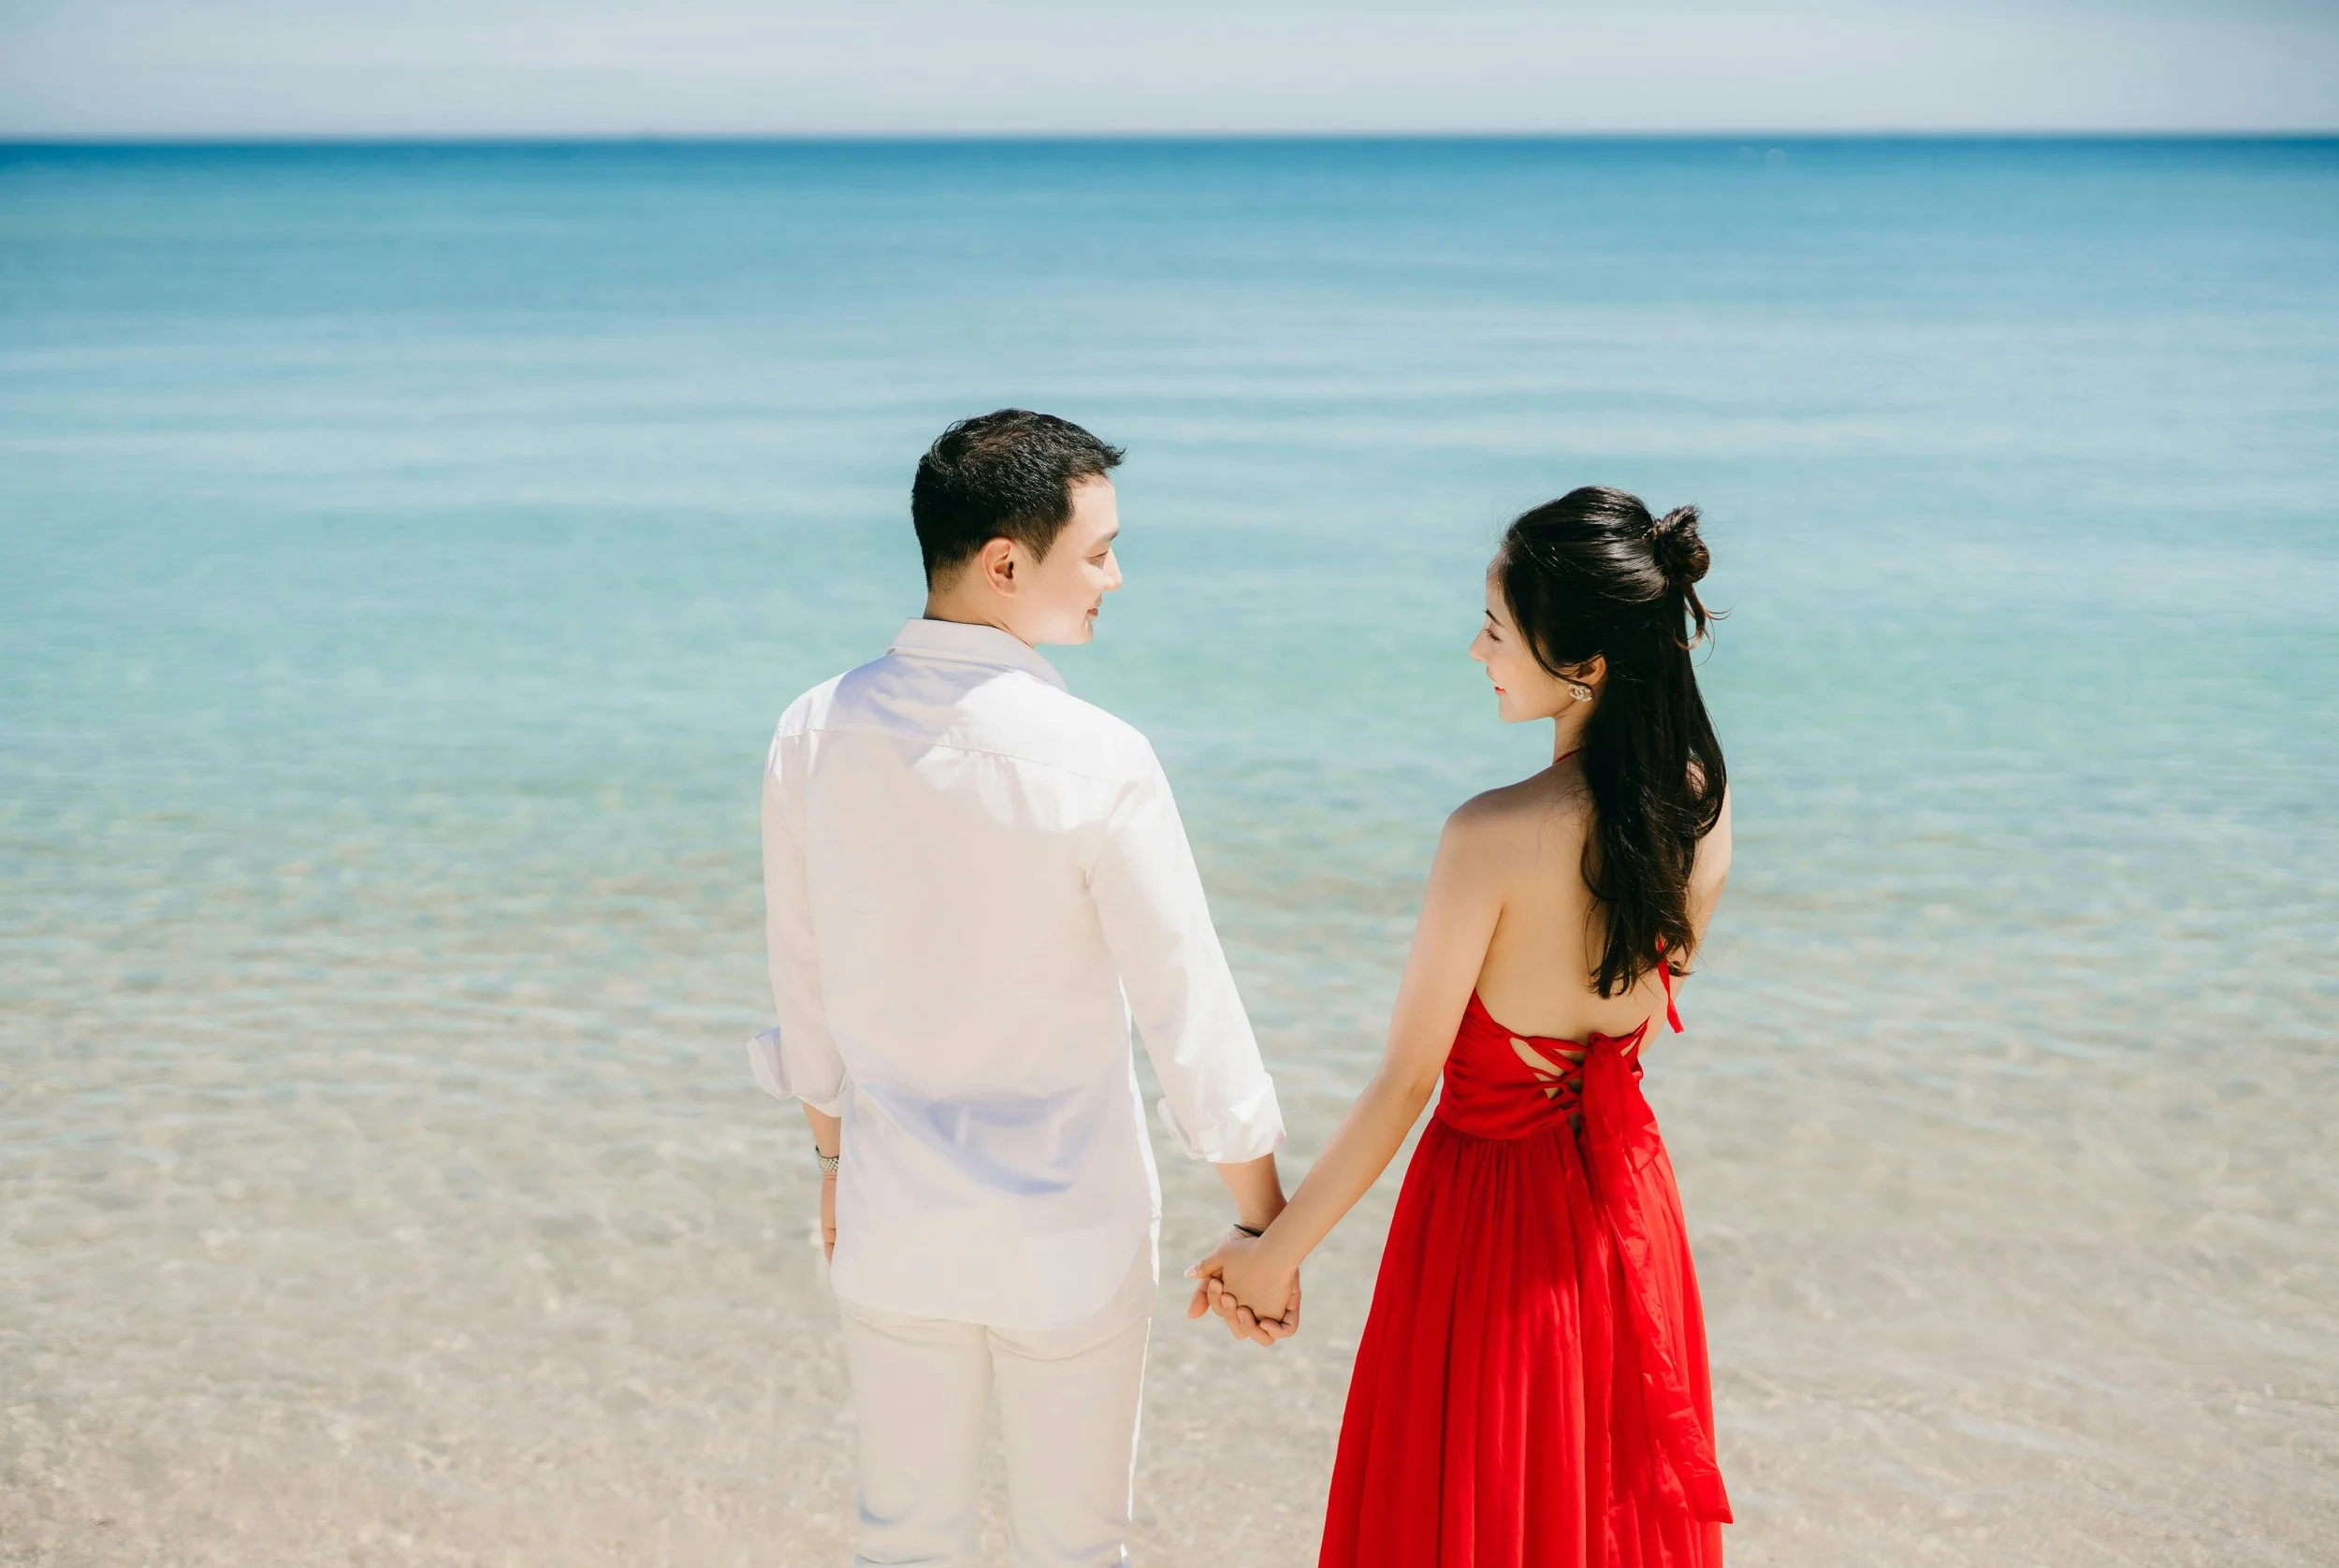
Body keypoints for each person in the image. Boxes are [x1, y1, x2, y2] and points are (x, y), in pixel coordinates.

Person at [749, 409, 1292, 1568]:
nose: (1115, 575)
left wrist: (833, 1167)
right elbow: (1185, 1006)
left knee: (901, 1538)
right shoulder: (1099, 755)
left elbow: (804, 986)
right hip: (1070, 1228)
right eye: (1096, 550)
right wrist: (1261, 1218)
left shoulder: (811, 728)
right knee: (1076, 1548)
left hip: (894, 1216)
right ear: (1007, 561)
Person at [1193, 486, 1736, 1566]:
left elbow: (1404, 1083)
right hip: (1622, 1214)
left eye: (1494, 627)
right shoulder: (1702, 807)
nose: (1473, 648)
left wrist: (1271, 1252)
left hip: (1488, 1224)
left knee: (1469, 1511)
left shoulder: (1489, 834)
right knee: (1596, 1509)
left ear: (1580, 660)